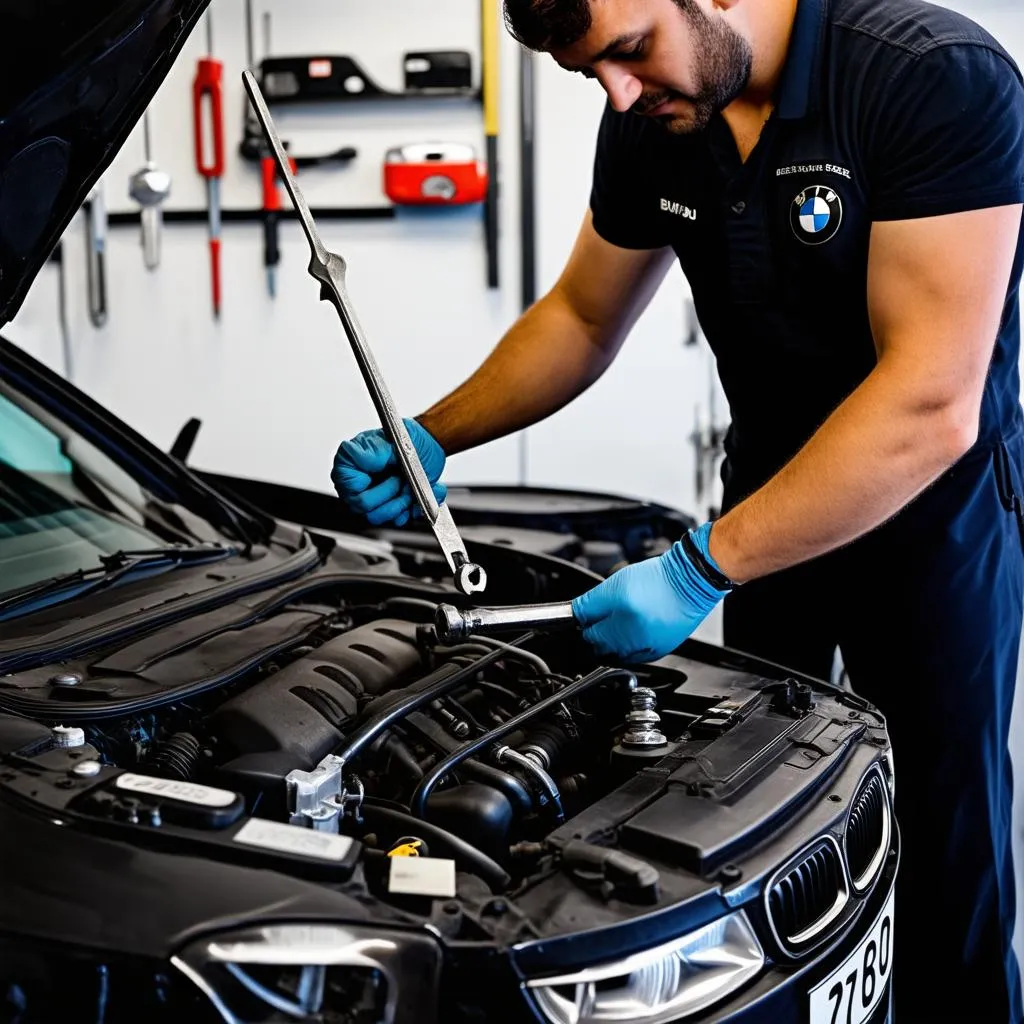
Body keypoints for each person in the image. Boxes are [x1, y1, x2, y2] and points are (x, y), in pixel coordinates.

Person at [331, 0, 1024, 1016]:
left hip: (927, 512)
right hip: (764, 513)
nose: (617, 92)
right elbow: (579, 315)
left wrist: (698, 569)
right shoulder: (655, 121)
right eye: (591, 75)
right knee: (763, 817)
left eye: (626, 52)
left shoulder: (928, 77)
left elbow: (927, 402)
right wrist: (431, 434)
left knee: (946, 842)